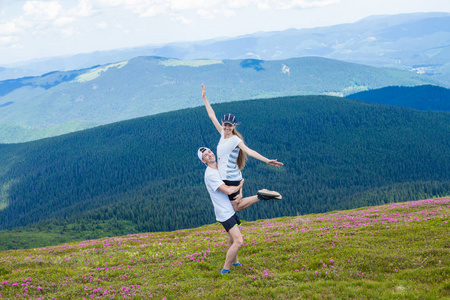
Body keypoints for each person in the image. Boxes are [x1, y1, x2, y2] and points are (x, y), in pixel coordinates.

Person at [198, 146, 282, 274]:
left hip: (229, 208)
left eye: (209, 152)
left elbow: (235, 181)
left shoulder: (220, 167)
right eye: (205, 155)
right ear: (203, 161)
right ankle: (225, 269)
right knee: (238, 241)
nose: (209, 155)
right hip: (224, 213)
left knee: (232, 238)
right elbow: (228, 190)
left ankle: (235, 262)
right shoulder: (210, 174)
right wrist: (241, 186)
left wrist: (241, 192)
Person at [201, 84, 284, 205]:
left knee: (235, 206)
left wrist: (267, 161)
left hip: (230, 178)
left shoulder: (235, 140)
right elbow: (211, 116)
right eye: (225, 124)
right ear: (222, 124)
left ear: (234, 126)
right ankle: (261, 196)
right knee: (232, 205)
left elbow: (249, 151)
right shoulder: (222, 133)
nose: (227, 127)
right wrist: (204, 97)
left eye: (230, 125)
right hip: (230, 176)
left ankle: (261, 196)